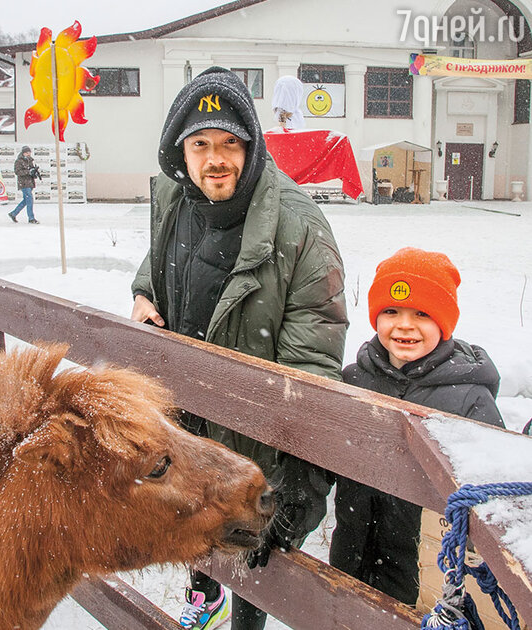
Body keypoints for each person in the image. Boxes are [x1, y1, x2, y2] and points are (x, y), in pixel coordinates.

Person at [131, 66, 348, 630]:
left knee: (254, 555)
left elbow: (312, 364)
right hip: (189, 416)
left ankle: (247, 616)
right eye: (201, 144)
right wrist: (141, 293)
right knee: (194, 520)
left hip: (258, 435)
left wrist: (294, 484)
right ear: (181, 151)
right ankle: (204, 597)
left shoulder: (298, 227)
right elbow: (157, 259)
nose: (215, 158)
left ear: (251, 148)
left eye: (230, 142)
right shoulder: (173, 194)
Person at [329, 247, 505, 606]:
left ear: (444, 322)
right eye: (391, 311)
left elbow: (492, 495)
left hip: (426, 571)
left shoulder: (469, 398)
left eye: (422, 313)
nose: (404, 325)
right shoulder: (355, 379)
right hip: (353, 552)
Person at [8, 146, 39, 224]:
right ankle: (31, 218)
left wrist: (34, 173)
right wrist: (28, 172)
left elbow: (31, 170)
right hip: (24, 183)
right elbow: (17, 172)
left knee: (26, 200)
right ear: (23, 153)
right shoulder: (19, 161)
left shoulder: (30, 160)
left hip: (30, 182)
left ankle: (13, 213)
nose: (29, 154)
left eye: (29, 152)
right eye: (27, 152)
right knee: (30, 200)